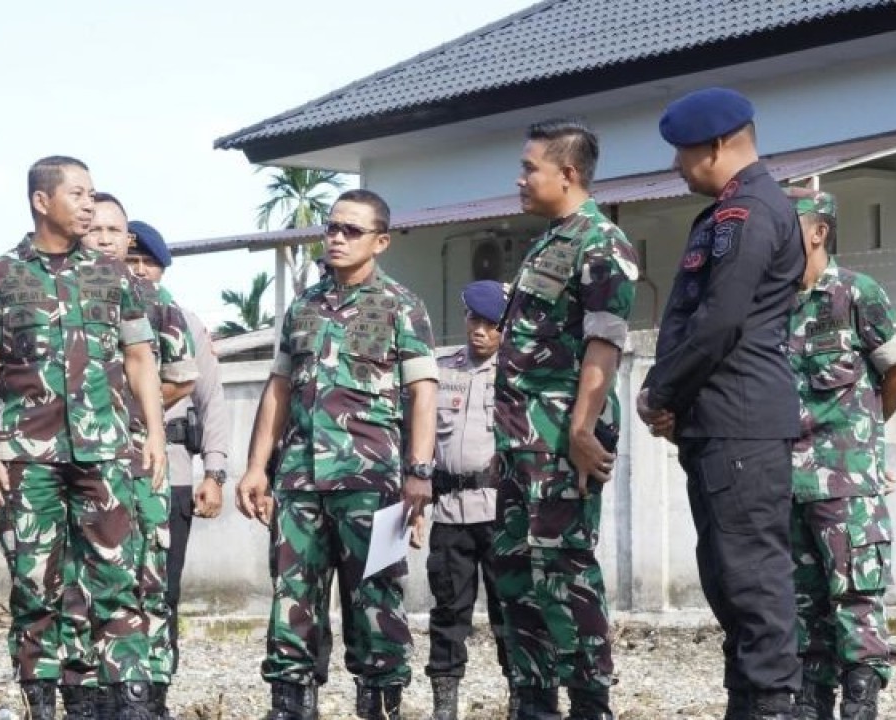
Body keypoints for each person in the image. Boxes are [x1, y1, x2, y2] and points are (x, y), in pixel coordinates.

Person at [0, 155, 167, 720]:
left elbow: (141, 358)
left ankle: (126, 704)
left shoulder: (114, 275)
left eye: (92, 194)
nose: (88, 205)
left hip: (105, 450)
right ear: (40, 200)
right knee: (35, 586)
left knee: (117, 581)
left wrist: (154, 436)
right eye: (77, 194)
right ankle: (48, 705)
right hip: (27, 457)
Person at [235, 188, 438, 720]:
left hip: (376, 481)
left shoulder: (403, 306)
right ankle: (291, 704)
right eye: (332, 227)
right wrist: (256, 467)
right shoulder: (303, 307)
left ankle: (380, 705)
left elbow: (424, 393)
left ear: (380, 241)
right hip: (299, 479)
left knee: (378, 601)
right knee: (292, 599)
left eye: (352, 230)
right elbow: (278, 388)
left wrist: (419, 473)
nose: (338, 237)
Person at [638, 88, 805, 720]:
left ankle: (771, 707)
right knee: (728, 582)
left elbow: (719, 320)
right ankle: (750, 703)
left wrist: (661, 391)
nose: (678, 167)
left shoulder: (751, 211)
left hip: (740, 422)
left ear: (716, 146)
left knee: (753, 581)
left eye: (683, 153)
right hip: (718, 425)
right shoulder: (727, 212)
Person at [492, 118, 637, 720]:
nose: (520, 178)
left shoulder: (601, 244)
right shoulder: (550, 241)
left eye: (530, 168)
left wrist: (581, 429)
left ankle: (588, 700)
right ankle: (532, 697)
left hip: (560, 436)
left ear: (568, 173)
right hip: (520, 436)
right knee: (516, 565)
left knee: (563, 564)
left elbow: (605, 344)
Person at [783, 188, 896, 720]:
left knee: (857, 601)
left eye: (786, 226)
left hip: (847, 484)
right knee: (801, 609)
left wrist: (863, 440)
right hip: (786, 487)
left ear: (818, 231)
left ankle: (860, 706)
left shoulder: (858, 294)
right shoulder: (769, 306)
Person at [81, 196, 198, 719]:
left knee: (148, 583)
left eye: (115, 230)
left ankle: (148, 696)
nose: (104, 238)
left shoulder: (152, 298)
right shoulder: (60, 294)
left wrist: (128, 415)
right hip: (78, 469)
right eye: (96, 227)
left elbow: (182, 376)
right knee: (83, 585)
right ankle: (90, 694)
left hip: (137, 465)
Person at [124, 217, 229, 717]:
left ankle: (156, 695)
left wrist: (215, 470)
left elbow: (210, 400)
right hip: (109, 478)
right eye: (132, 260)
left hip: (174, 480)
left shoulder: (182, 320)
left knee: (162, 593)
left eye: (149, 263)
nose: (140, 270)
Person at [425, 280, 514, 720]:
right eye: (473, 319)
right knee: (447, 614)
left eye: (490, 323)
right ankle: (445, 707)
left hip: (501, 515)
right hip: (448, 513)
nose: (478, 330)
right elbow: (418, 436)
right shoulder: (442, 371)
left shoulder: (517, 372)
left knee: (510, 612)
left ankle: (522, 698)